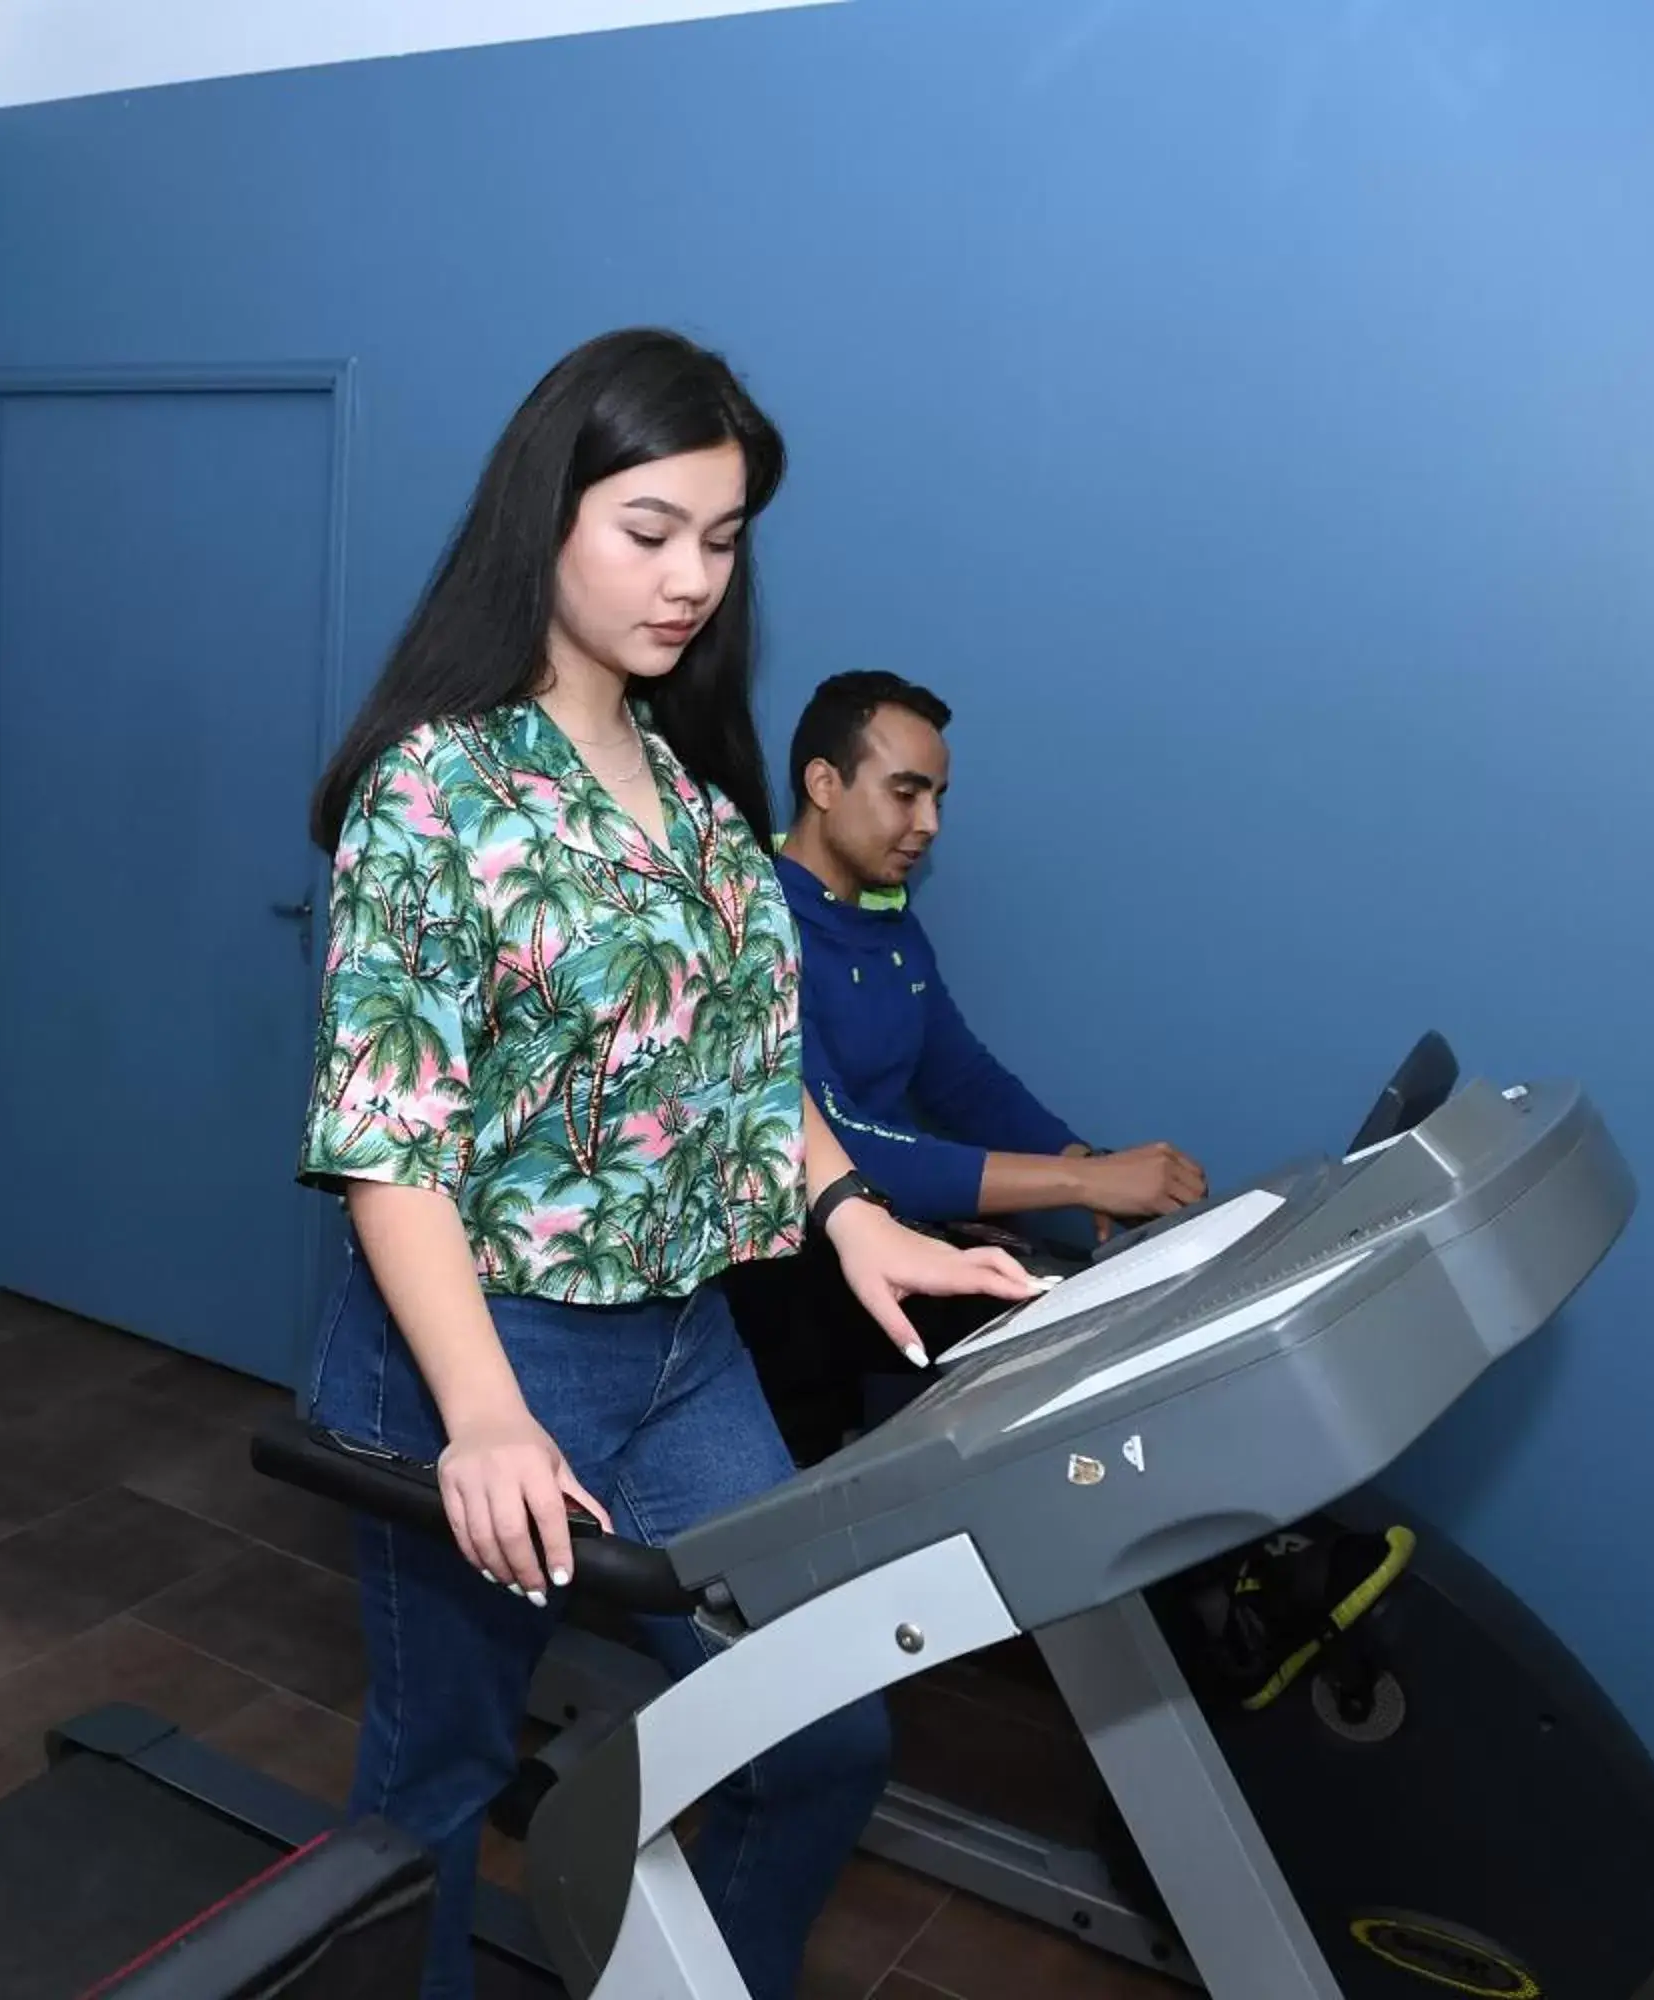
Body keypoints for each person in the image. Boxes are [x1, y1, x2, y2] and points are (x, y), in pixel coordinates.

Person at [294, 331, 1040, 2000]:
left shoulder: (700, 805)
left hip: (688, 1354)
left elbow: (749, 1071)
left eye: (722, 538)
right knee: (438, 1778)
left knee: (827, 1734)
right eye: (652, 530)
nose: (693, 576)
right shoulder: (441, 786)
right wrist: (486, 1417)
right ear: (546, 515)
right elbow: (389, 1142)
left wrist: (855, 1219)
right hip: (486, 1354)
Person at [731, 668, 1208, 1460]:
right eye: (906, 793)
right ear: (823, 783)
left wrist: (1082, 1160)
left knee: (1108, 1309)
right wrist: (1084, 1184)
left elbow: (962, 1080)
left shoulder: (889, 926)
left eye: (938, 799)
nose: (929, 825)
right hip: (795, 1271)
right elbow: (840, 1143)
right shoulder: (756, 922)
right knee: (1065, 1337)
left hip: (894, 1239)